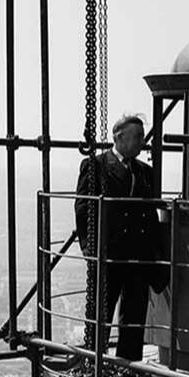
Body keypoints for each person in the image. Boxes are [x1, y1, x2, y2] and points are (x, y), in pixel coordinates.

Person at [74, 113, 167, 362]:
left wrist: (156, 254)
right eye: (137, 137)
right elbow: (83, 208)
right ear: (119, 137)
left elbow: (150, 214)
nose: (142, 143)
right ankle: (95, 362)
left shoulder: (145, 172)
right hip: (109, 254)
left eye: (142, 137)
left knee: (134, 315)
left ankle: (129, 366)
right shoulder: (96, 167)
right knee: (101, 312)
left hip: (138, 256)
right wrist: (89, 248)